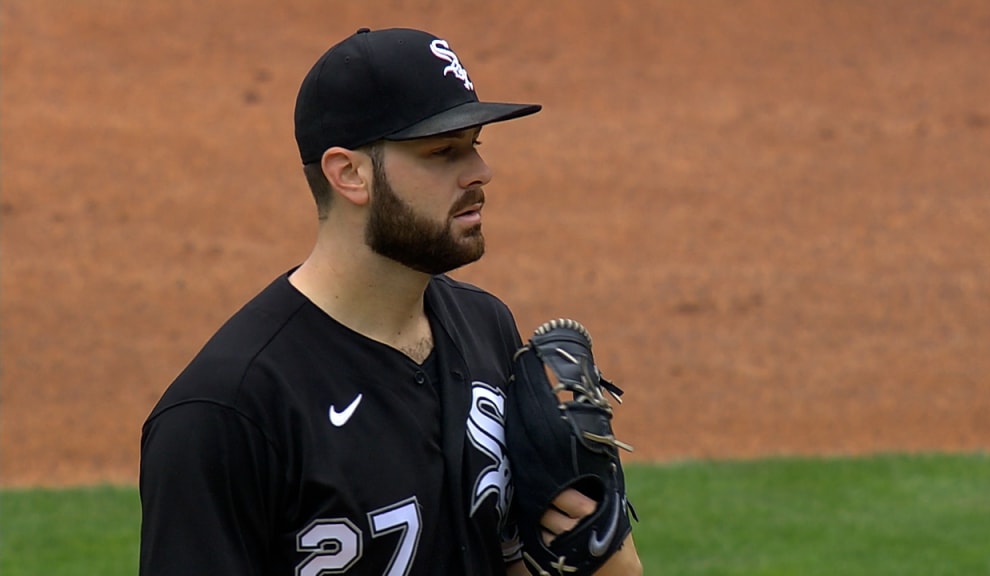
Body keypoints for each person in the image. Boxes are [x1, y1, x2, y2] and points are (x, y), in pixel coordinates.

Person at [139, 27, 642, 575]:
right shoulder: (228, 412)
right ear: (350, 173)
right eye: (442, 152)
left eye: (475, 145)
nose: (479, 172)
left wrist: (606, 561)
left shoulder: (485, 328)